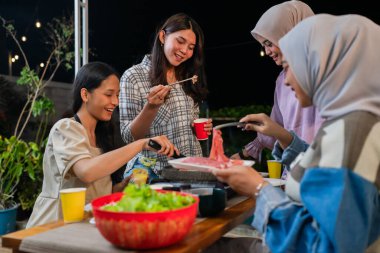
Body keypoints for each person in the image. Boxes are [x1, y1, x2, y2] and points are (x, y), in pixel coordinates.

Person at [210, 14, 380, 253]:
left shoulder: (353, 131)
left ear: (321, 64)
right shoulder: (353, 122)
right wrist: (286, 139)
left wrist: (259, 190)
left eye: (290, 65)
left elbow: (328, 246)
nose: (286, 79)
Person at [27, 62, 179, 228]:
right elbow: (86, 172)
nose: (115, 102)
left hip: (83, 226)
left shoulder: (103, 136)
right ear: (85, 95)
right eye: (109, 94)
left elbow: (94, 194)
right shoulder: (65, 128)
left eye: (117, 95)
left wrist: (121, 187)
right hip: (52, 227)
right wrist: (140, 144)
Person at [119, 13, 212, 180]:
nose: (184, 51)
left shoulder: (188, 78)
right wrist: (151, 107)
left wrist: (198, 128)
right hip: (152, 171)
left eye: (191, 47)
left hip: (190, 169)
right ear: (163, 36)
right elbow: (129, 137)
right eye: (180, 41)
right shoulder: (133, 76)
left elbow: (192, 123)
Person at [231, 0, 323, 165]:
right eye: (263, 45)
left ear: (291, 34)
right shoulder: (282, 79)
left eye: (268, 43)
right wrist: (246, 153)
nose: (266, 52)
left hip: (326, 176)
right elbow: (277, 127)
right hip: (294, 173)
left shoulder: (329, 72)